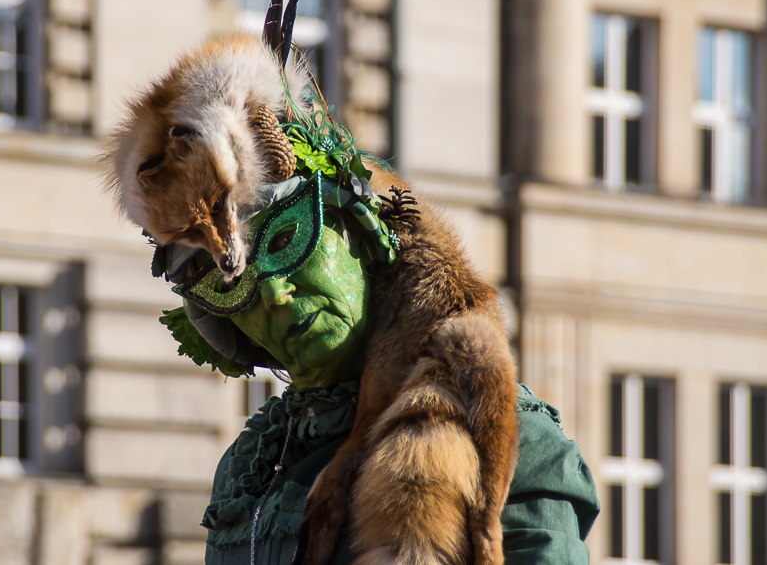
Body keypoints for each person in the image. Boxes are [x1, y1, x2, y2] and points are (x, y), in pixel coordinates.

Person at [158, 165, 600, 565]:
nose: (275, 295)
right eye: (234, 283)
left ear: (360, 238)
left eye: (289, 241)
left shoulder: (498, 431)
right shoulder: (250, 463)